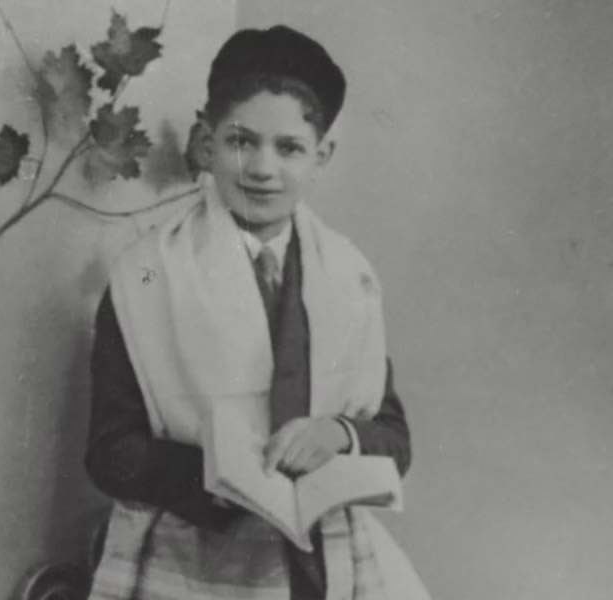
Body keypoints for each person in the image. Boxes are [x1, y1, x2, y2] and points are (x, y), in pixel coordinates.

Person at [85, 25, 430, 600]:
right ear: (206, 141)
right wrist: (222, 480)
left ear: (322, 156)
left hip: (322, 564)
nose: (262, 168)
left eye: (289, 147)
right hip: (192, 563)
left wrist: (338, 434)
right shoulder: (147, 271)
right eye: (241, 141)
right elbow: (109, 452)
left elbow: (394, 439)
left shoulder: (351, 278)